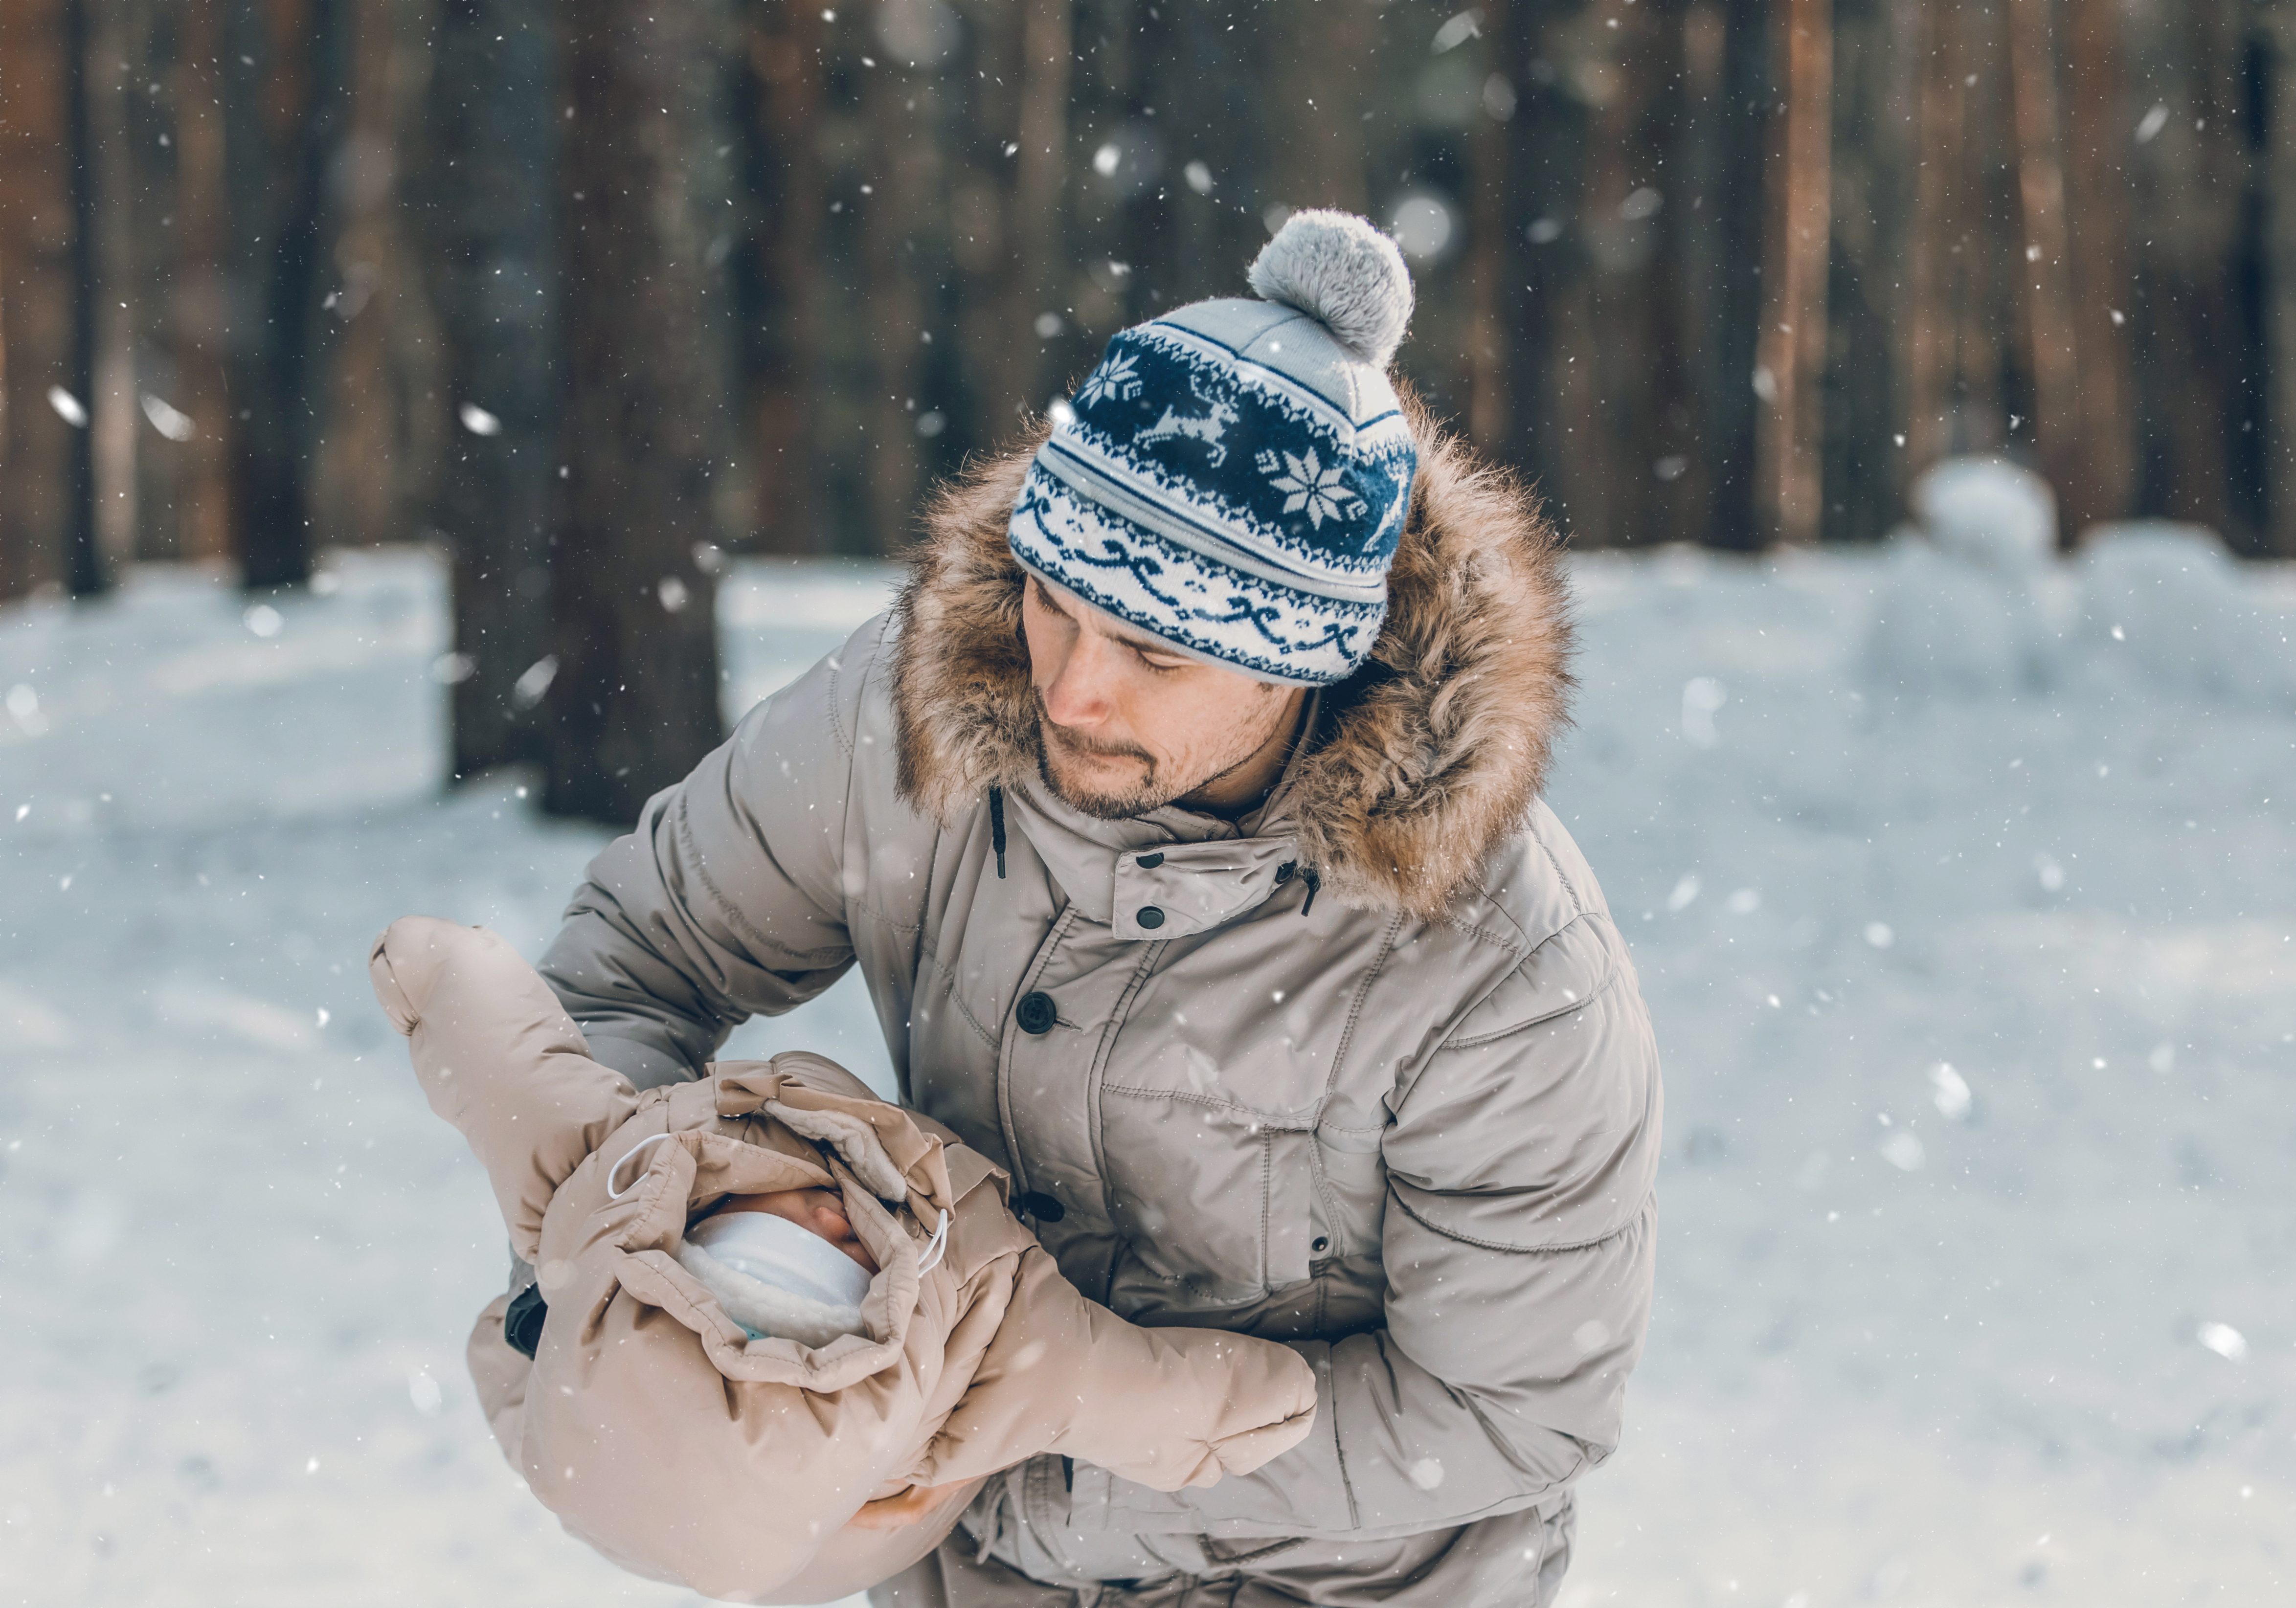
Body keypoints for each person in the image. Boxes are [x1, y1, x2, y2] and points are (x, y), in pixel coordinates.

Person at [535, 209, 1663, 1606]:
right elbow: (628, 969)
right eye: (1054, 605)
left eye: (1150, 650)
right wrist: (663, 1251)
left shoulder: (1500, 963)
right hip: (959, 1569)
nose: (1070, 690)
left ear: (1304, 659)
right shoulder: (910, 722)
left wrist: (1059, 1440)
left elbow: (1509, 1413)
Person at [369, 916, 1319, 1605]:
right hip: (844, 1535)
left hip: (666, 1485)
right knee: (593, 1451)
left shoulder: (610, 1169)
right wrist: (1235, 1410)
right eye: (843, 1266)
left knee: (548, 1407)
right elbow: (1134, 1395)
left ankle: (556, 1365)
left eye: (774, 1235)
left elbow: (503, 1061)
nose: (831, 1214)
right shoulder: (994, 1346)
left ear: (691, 1241)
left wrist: (440, 980)